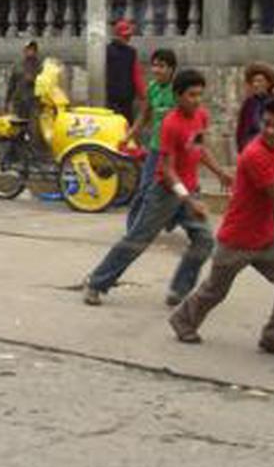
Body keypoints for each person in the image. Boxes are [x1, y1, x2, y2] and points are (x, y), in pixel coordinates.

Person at [169, 96, 274, 356]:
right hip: (237, 238)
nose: (271, 131)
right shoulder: (254, 154)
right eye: (267, 124)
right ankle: (183, 320)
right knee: (214, 290)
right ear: (261, 123)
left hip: (265, 237)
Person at [83, 69, 233, 307]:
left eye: (199, 95)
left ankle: (179, 290)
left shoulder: (200, 116)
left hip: (189, 190)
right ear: (177, 96)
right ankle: (97, 283)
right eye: (191, 95)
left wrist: (221, 172)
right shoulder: (170, 125)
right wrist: (189, 200)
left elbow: (200, 149)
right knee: (136, 241)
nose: (196, 100)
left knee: (204, 241)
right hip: (165, 193)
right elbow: (167, 170)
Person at [124, 48, 177, 232]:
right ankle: (134, 229)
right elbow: (144, 115)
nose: (156, 70)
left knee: (175, 188)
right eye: (154, 65)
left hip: (174, 152)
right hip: (156, 147)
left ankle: (171, 219)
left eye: (161, 66)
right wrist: (129, 135)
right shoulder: (153, 88)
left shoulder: (179, 91)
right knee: (144, 188)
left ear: (171, 69)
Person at [105, 19, 145, 123]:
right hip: (113, 98)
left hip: (125, 98)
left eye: (129, 36)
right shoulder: (108, 51)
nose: (128, 39)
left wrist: (143, 95)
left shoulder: (130, 52)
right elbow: (136, 75)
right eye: (125, 36)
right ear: (117, 35)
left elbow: (136, 75)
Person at [235, 62, 274, 153]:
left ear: (269, 83)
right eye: (253, 81)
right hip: (250, 147)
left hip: (271, 148)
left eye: (260, 81)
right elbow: (241, 129)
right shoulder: (249, 103)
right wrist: (242, 148)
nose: (256, 84)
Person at [6, 41, 41, 120]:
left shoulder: (40, 65)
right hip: (19, 102)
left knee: (33, 128)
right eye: (29, 49)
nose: (30, 51)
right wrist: (7, 101)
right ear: (25, 50)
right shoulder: (18, 64)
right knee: (18, 127)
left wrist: (33, 80)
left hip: (33, 103)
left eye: (33, 49)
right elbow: (11, 84)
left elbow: (45, 84)